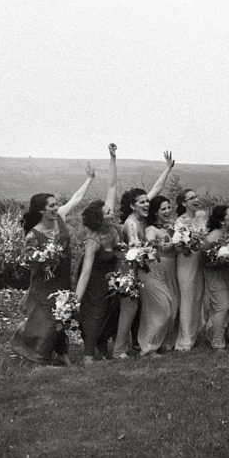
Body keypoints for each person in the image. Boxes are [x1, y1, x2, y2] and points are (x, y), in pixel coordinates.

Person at [10, 162, 96, 365]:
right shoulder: (33, 234)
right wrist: (45, 259)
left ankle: (63, 354)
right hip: (44, 283)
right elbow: (29, 261)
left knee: (63, 315)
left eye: (56, 204)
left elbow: (77, 198)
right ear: (41, 210)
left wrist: (89, 179)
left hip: (62, 278)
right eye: (51, 205)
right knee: (48, 320)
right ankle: (40, 357)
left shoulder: (60, 217)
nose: (56, 207)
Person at [111, 150, 175, 359]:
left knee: (141, 310)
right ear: (132, 205)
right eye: (142, 203)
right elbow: (135, 247)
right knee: (129, 310)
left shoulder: (142, 215)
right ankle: (121, 349)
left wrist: (167, 168)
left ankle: (138, 345)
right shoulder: (131, 222)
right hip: (130, 269)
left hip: (143, 267)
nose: (147, 204)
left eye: (147, 202)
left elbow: (156, 189)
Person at [74, 144, 121, 365]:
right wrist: (76, 301)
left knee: (111, 310)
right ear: (98, 219)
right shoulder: (93, 241)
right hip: (93, 280)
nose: (112, 212)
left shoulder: (111, 225)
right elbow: (84, 273)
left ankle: (103, 350)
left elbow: (111, 185)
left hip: (110, 277)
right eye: (107, 212)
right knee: (94, 313)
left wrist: (112, 158)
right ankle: (88, 356)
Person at [137, 195, 179, 355]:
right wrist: (172, 242)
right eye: (163, 209)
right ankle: (148, 347)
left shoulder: (173, 227)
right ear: (155, 212)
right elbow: (151, 245)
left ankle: (164, 343)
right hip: (153, 271)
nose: (168, 211)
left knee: (173, 309)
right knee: (161, 309)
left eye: (169, 207)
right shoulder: (151, 230)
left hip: (170, 271)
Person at [202, 204, 229, 352]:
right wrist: (220, 261)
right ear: (221, 221)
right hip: (215, 275)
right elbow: (204, 262)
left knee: (228, 306)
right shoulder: (212, 238)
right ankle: (218, 343)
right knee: (222, 306)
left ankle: (216, 335)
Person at [173, 188, 207, 352]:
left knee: (198, 297)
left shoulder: (202, 215)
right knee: (187, 299)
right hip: (186, 261)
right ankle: (185, 340)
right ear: (184, 203)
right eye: (191, 197)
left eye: (196, 196)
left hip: (200, 260)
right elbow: (178, 245)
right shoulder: (181, 221)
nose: (196, 199)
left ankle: (194, 333)